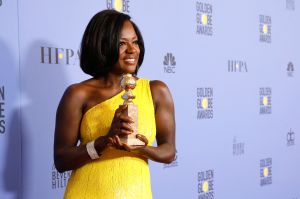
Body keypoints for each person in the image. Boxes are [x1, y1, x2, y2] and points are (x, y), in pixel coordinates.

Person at [54, 9, 175, 199]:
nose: (132, 49)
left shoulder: (156, 91)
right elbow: (61, 160)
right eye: (121, 43)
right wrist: (104, 141)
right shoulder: (77, 94)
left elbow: (169, 151)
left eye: (135, 42)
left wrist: (140, 147)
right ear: (102, 46)